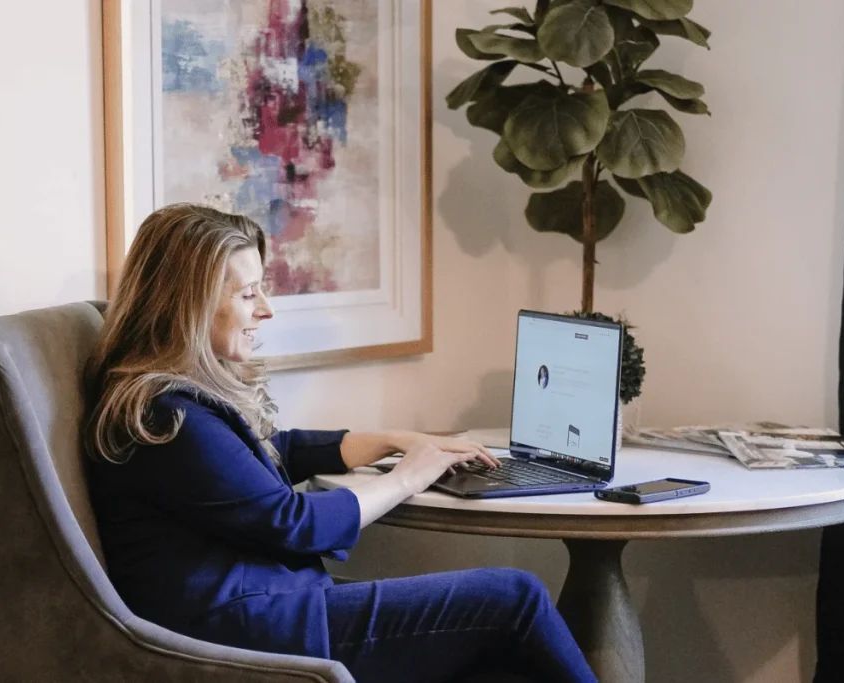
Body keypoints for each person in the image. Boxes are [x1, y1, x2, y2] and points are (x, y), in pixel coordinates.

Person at [83, 203, 598, 683]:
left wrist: (389, 440)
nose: (266, 310)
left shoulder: (166, 398)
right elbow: (292, 523)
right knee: (515, 598)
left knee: (496, 642)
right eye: (247, 294)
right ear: (188, 306)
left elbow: (265, 453)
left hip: (267, 604)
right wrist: (406, 477)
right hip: (246, 627)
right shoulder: (166, 417)